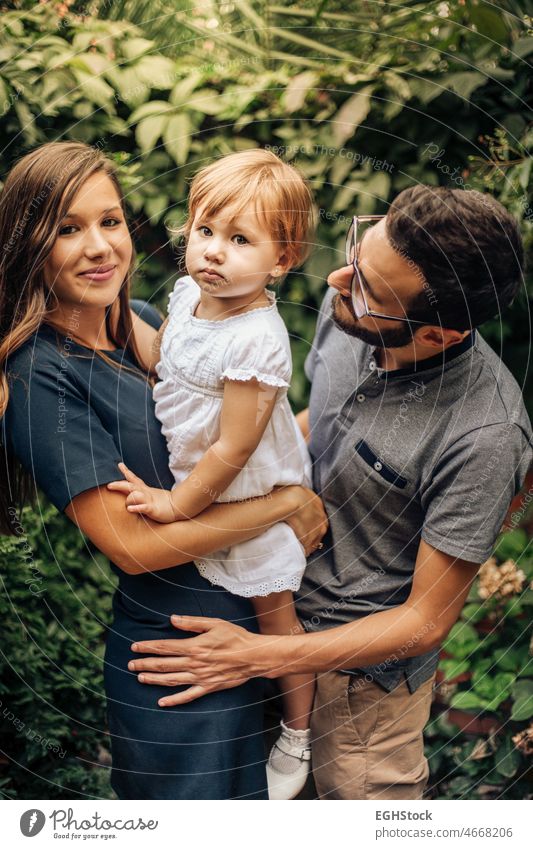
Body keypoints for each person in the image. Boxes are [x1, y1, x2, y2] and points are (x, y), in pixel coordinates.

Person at [123, 185, 533, 800]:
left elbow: (424, 623)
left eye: (367, 286)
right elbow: (316, 420)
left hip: (359, 694)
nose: (339, 279)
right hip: (261, 609)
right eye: (355, 254)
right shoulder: (352, 306)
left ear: (438, 336)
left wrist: (259, 656)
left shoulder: (485, 436)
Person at [0, 140, 327, 800]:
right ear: (27, 244)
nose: (99, 247)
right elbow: (135, 545)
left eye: (109, 221)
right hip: (181, 663)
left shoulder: (149, 325)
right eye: (68, 229)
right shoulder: (39, 377)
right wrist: (284, 506)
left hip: (258, 640)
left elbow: (232, 434)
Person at [108, 149, 317, 799]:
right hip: (204, 470)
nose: (213, 252)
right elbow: (165, 354)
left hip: (247, 484)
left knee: (273, 612)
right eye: (204, 230)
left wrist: (175, 506)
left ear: (280, 260)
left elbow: (230, 451)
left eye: (239, 240)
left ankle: (298, 731)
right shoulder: (188, 294)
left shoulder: (258, 341)